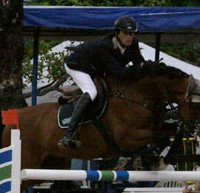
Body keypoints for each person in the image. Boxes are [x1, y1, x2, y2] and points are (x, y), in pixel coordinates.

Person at [58, 15, 145, 148]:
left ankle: (73, 93)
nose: (129, 37)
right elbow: (120, 72)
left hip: (96, 67)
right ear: (117, 33)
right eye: (126, 33)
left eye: (132, 33)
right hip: (77, 64)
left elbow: (140, 63)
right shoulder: (104, 46)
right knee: (91, 92)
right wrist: (140, 67)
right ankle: (68, 134)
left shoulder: (133, 43)